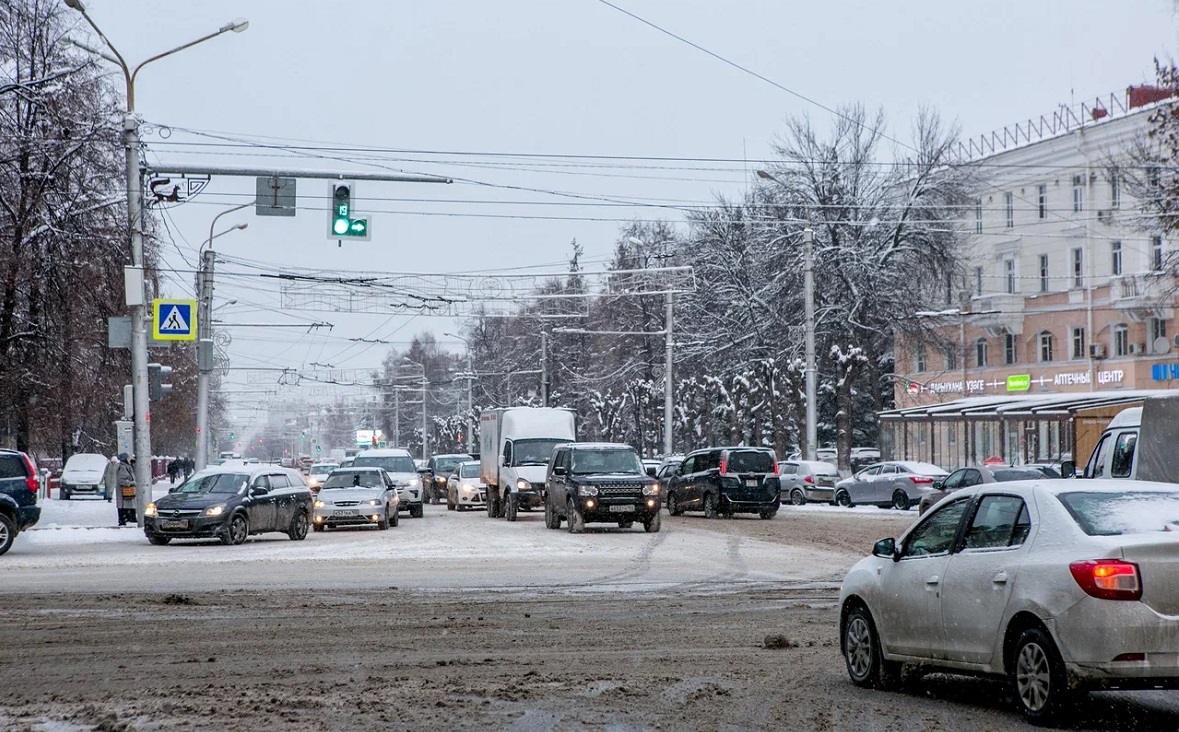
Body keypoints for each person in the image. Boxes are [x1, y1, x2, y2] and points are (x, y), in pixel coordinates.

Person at [115, 453, 137, 526]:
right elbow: (121, 480)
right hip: (124, 491)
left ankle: (127, 518)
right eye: (128, 458)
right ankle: (123, 520)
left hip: (127, 491)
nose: (129, 460)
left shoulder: (127, 467)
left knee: (127, 504)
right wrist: (130, 483)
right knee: (122, 505)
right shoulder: (123, 467)